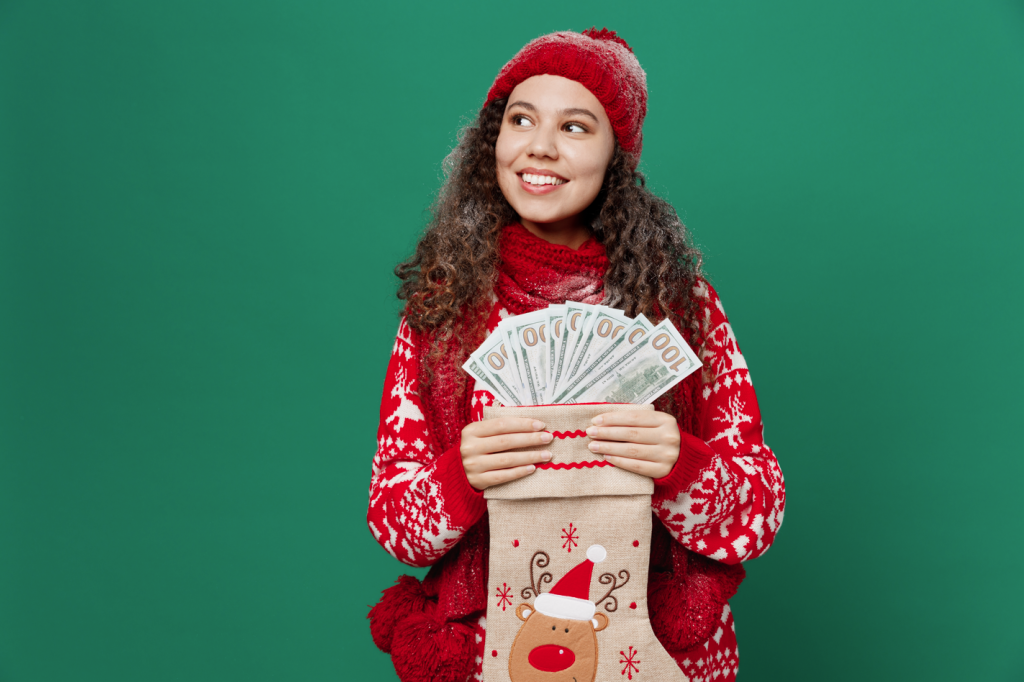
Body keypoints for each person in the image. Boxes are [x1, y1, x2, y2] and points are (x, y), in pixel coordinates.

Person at [366, 27, 785, 682]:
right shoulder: (444, 315)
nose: (539, 145)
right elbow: (396, 524)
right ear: (492, 142)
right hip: (490, 654)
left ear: (616, 157)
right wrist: (460, 477)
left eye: (576, 127)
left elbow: (758, 514)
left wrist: (683, 464)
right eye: (521, 119)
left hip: (659, 651)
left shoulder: (684, 307)